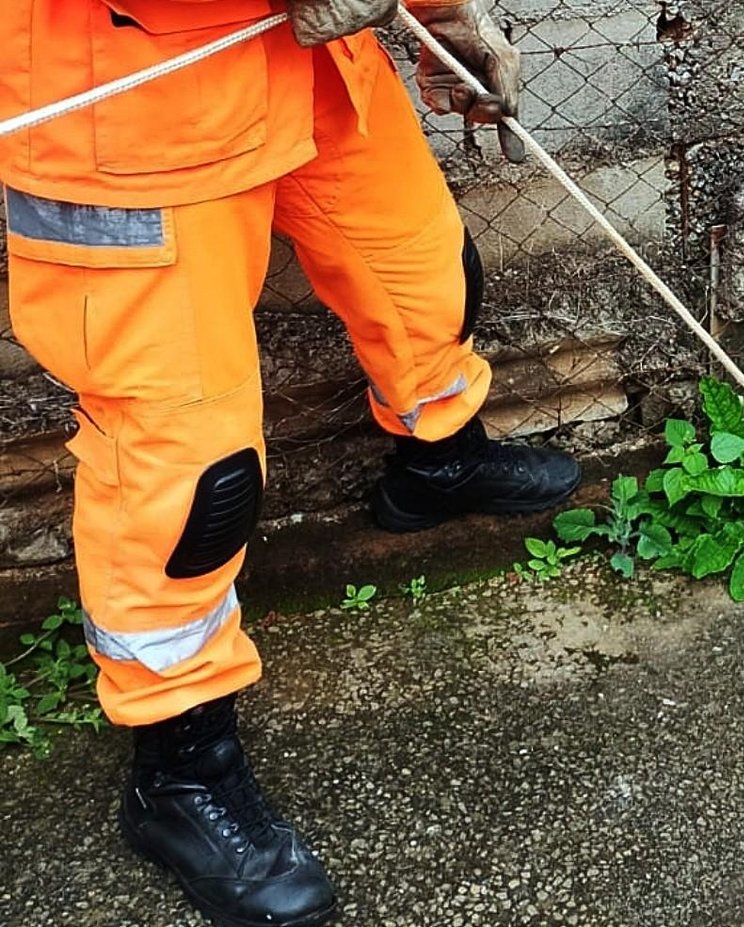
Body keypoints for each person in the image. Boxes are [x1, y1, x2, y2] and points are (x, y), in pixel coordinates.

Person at [1, 3, 581, 925]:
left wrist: (443, 13)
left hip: (311, 51)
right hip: (128, 107)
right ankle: (179, 769)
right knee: (189, 469)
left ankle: (439, 463)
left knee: (426, 277)